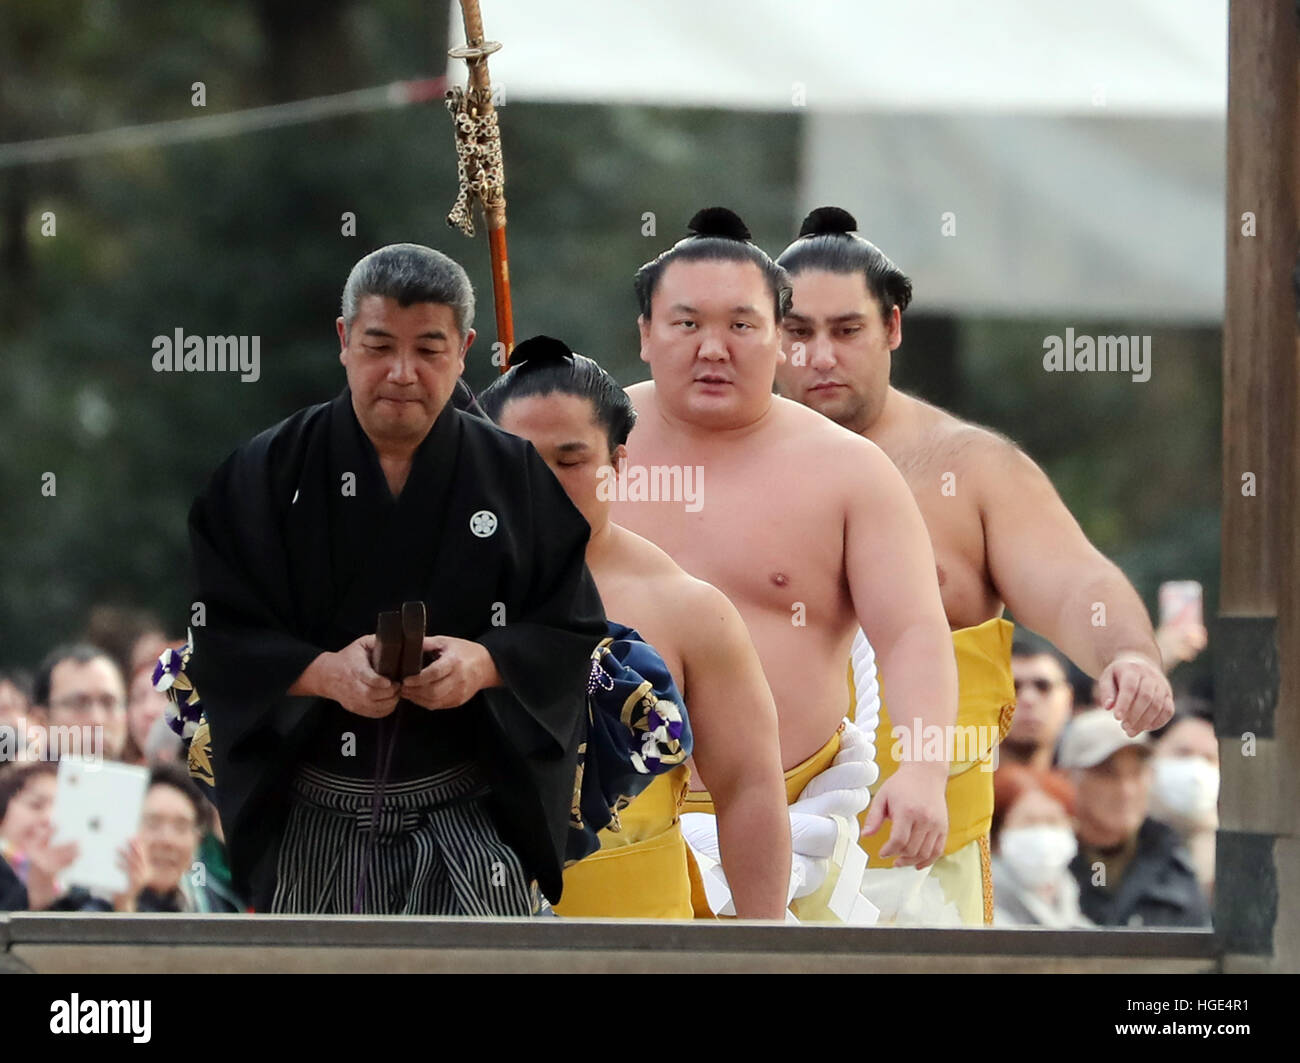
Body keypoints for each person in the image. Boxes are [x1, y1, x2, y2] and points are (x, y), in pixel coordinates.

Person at [773, 207, 1177, 924]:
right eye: (798, 333)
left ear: (893, 327)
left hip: (924, 849)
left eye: (846, 330)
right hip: (753, 838)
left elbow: (1074, 579)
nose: (821, 356)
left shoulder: (969, 466)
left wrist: (1127, 652)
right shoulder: (715, 464)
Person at [186, 243, 607, 915]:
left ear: (465, 349)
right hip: (316, 817)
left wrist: (485, 662)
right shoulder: (266, 473)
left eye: (429, 349)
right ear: (344, 339)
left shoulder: (513, 476)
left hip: (468, 814)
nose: (402, 374)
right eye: (380, 344)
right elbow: (221, 636)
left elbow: (571, 626)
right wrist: (323, 672)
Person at [615, 208, 959, 920]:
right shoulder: (578, 453)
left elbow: (913, 630)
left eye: (742, 325)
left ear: (782, 340)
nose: (714, 347)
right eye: (687, 323)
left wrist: (923, 767)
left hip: (803, 809)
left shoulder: (848, 470)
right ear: (646, 333)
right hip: (608, 818)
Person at [481, 335, 791, 919]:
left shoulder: (688, 609)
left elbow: (749, 787)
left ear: (617, 463)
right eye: (520, 460)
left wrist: (764, 943)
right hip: (478, 913)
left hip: (644, 929)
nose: (543, 484)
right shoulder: (445, 594)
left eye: (570, 461)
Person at [1059, 708, 1209, 927]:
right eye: (1107, 773)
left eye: (1137, 772)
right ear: (1068, 778)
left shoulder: (1174, 864)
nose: (1126, 791)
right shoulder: (1045, 862)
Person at [990, 762, 1090, 927]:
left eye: (1052, 821)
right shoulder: (981, 913)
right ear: (997, 836)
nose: (1042, 833)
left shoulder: (1070, 900)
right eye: (1029, 822)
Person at [1148, 700, 1218, 900]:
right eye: (1183, 753)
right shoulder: (1121, 841)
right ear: (1152, 755)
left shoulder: (1236, 858)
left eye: (1209, 758)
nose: (1196, 769)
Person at [34, 643, 129, 763]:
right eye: (79, 705)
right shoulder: (13, 780)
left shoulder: (152, 779)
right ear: (42, 721)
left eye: (109, 703)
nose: (97, 720)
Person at [1003, 639, 1075, 770]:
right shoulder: (958, 785)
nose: (1028, 699)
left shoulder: (1090, 786)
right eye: (1012, 687)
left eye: (1043, 686)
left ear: (1069, 700)